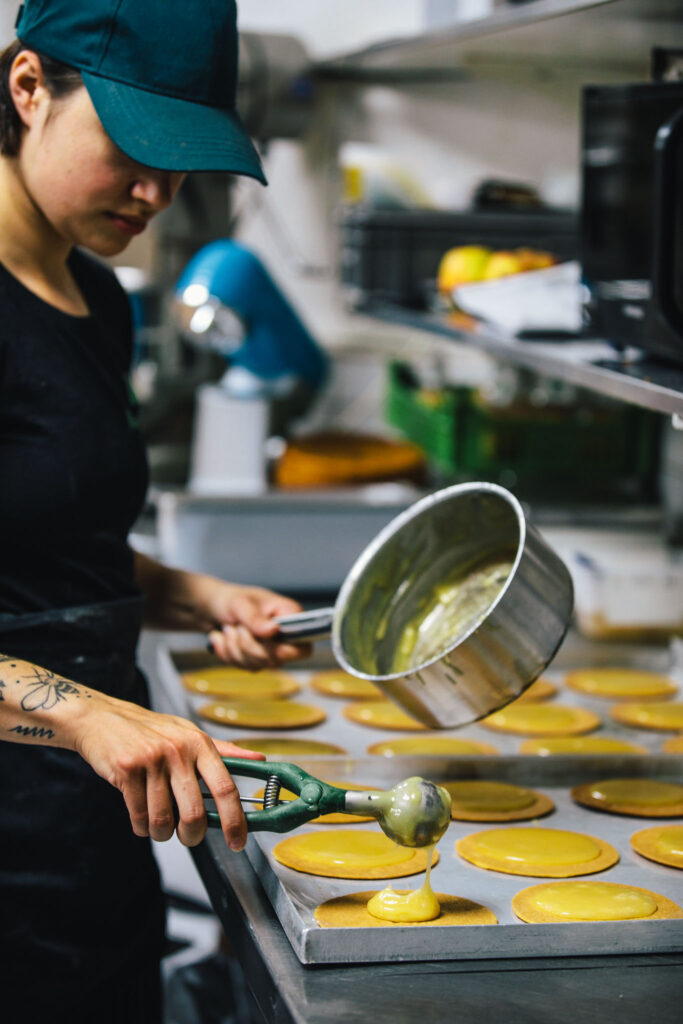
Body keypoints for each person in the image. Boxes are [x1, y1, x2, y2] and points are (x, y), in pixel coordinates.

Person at [0, 2, 310, 1020]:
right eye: (135, 147)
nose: (157, 193)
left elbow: (58, 544)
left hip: (90, 838)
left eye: (182, 162)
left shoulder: (100, 298)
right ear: (30, 88)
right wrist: (86, 716)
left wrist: (201, 594)